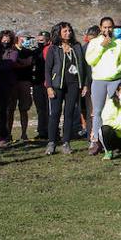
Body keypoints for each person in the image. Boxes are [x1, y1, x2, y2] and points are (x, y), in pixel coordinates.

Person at [84, 19, 121, 155]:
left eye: (110, 27)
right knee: (98, 111)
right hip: (98, 80)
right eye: (105, 27)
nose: (107, 30)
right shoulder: (94, 43)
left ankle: (114, 140)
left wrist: (118, 70)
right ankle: (96, 141)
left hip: (114, 80)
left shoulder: (119, 43)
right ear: (100, 28)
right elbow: (90, 60)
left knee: (115, 110)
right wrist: (102, 47)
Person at [43, 22, 89, 155]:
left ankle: (66, 143)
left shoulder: (77, 46)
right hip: (57, 85)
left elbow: (83, 66)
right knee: (55, 114)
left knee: (69, 114)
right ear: (58, 33)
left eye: (69, 31)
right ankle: (51, 143)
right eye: (65, 31)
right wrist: (49, 86)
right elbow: (48, 69)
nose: (68, 33)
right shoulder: (53, 48)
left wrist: (84, 84)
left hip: (73, 85)